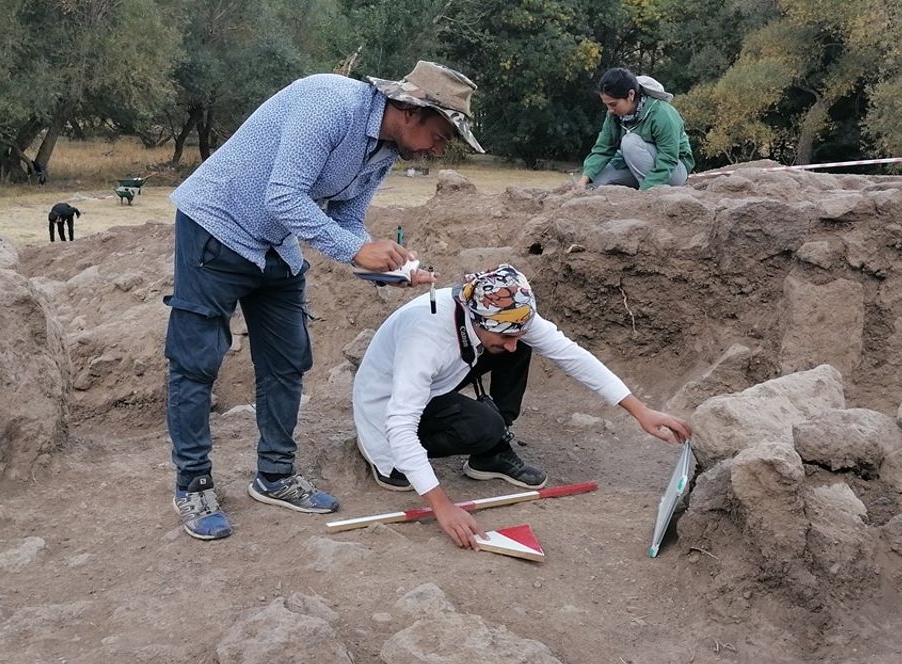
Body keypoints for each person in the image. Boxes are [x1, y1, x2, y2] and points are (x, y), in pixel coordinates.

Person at [165, 61, 485, 541]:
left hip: (275, 243)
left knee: (287, 360)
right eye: (440, 135)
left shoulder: (384, 149)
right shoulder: (330, 104)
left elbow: (348, 219)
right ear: (410, 110)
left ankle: (275, 475)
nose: (439, 149)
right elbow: (283, 196)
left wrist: (390, 268)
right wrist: (356, 250)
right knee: (196, 362)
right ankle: (193, 485)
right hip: (216, 226)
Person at [352, 264, 692, 549]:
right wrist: (442, 506)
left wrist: (640, 410)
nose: (512, 343)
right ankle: (392, 459)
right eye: (504, 335)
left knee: (520, 348)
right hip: (386, 411)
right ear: (479, 321)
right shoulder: (426, 337)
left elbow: (569, 354)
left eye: (514, 332)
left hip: (436, 381)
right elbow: (400, 423)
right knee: (484, 425)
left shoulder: (502, 310)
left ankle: (491, 454)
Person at [578, 68, 694, 190]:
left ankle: (651, 188)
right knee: (595, 180)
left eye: (613, 104)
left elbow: (668, 159)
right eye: (606, 105)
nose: (610, 110)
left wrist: (645, 191)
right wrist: (585, 178)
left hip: (673, 170)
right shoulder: (614, 115)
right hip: (636, 167)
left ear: (631, 94)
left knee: (629, 142)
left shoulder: (662, 113)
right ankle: (644, 184)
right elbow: (603, 148)